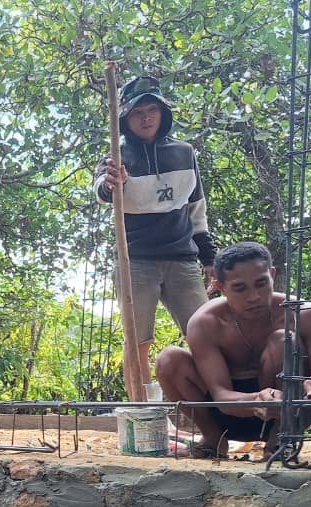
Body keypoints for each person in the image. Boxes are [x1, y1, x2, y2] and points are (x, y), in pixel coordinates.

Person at [156, 242, 311, 457]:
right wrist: (257, 400)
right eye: (240, 288)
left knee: (283, 340)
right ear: (221, 287)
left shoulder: (304, 315)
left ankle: (281, 440)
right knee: (169, 359)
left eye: (261, 283)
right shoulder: (206, 322)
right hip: (226, 413)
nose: (254, 297)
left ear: (272, 275)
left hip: (291, 410)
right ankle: (213, 440)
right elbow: (221, 397)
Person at [94, 75, 218, 372]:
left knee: (206, 335)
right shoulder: (115, 156)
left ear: (163, 113)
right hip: (135, 261)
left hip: (182, 258)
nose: (146, 118)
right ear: (125, 117)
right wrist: (114, 183)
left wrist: (209, 258)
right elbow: (101, 190)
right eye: (137, 112)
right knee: (137, 341)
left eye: (152, 110)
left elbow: (196, 209)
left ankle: (213, 399)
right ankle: (142, 402)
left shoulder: (184, 153)